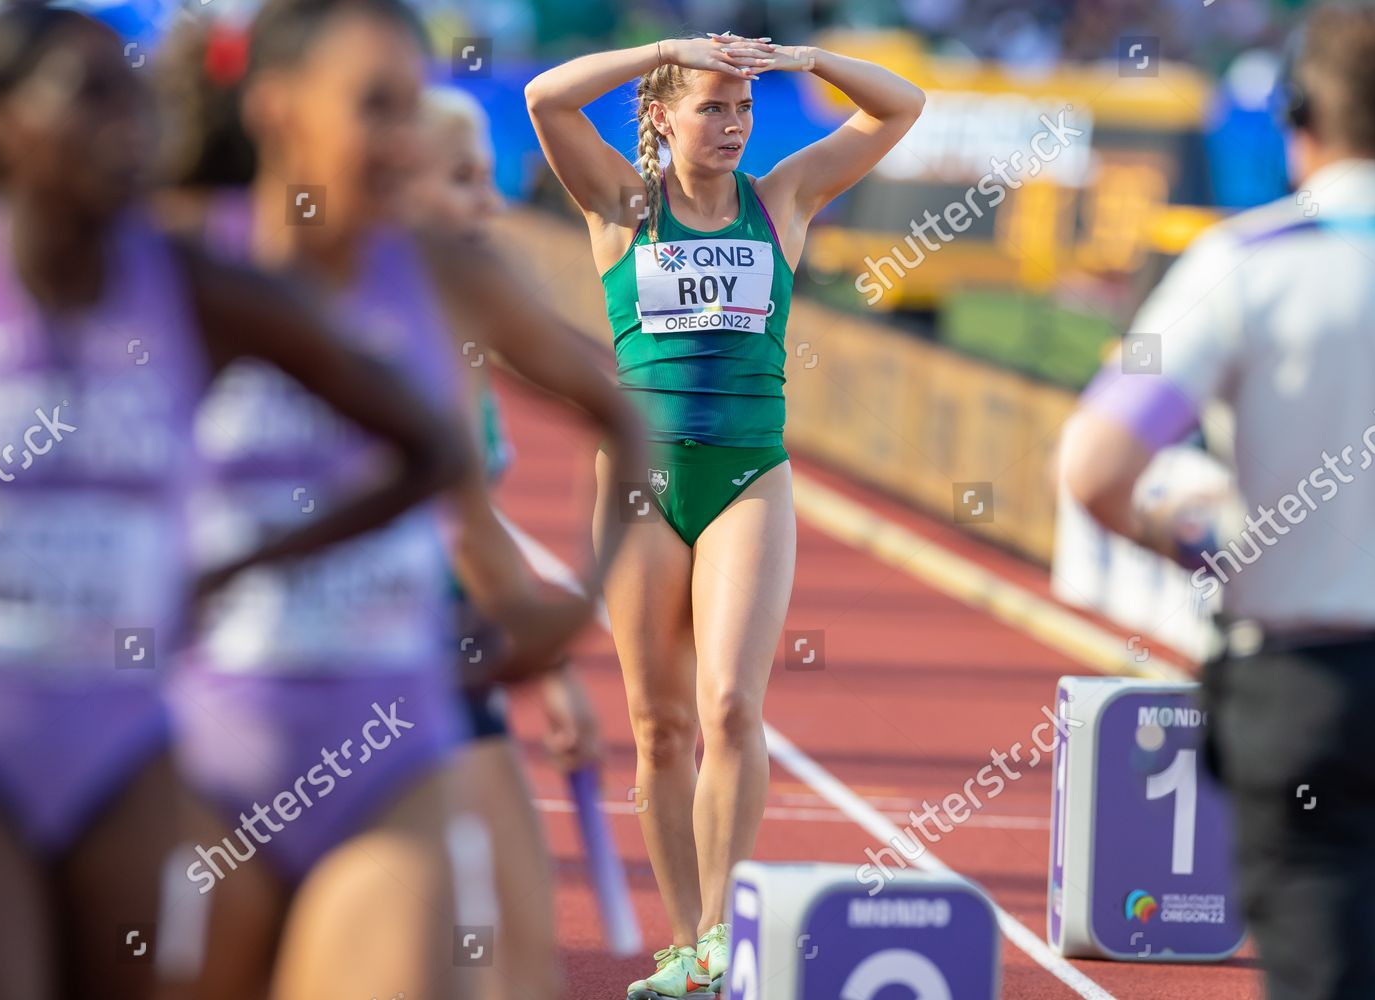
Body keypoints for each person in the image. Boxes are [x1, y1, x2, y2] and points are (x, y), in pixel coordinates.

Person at [0, 4, 465, 998]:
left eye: (138, 95)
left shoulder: (199, 289)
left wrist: (243, 568)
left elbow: (430, 446)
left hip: (128, 745)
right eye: (91, 95)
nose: (132, 123)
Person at [156, 4, 647, 997]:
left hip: (386, 753)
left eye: (411, 108)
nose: (403, 140)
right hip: (193, 753)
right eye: (374, 108)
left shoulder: (440, 271)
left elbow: (624, 412)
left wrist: (578, 600)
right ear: (276, 105)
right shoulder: (175, 258)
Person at [526, 31, 925, 997]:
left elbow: (902, 105)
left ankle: (719, 935)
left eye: (743, 110)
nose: (734, 126)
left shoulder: (780, 201)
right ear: (662, 115)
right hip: (639, 487)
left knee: (731, 707)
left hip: (750, 476)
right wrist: (665, 46)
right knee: (659, 727)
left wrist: (809, 62)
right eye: (712, 106)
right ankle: (682, 948)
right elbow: (546, 97)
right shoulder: (623, 205)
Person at [1058, 6, 1375, 998]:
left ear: (1301, 116)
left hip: (1307, 684)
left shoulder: (1242, 263)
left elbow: (1095, 464)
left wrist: (1212, 543)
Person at [400, 83, 607, 1000]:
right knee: (503, 954)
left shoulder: (453, 320)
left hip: (439, 659)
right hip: (403, 667)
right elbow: (465, 529)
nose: (489, 202)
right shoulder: (404, 324)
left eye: (490, 178)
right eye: (462, 180)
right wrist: (557, 651)